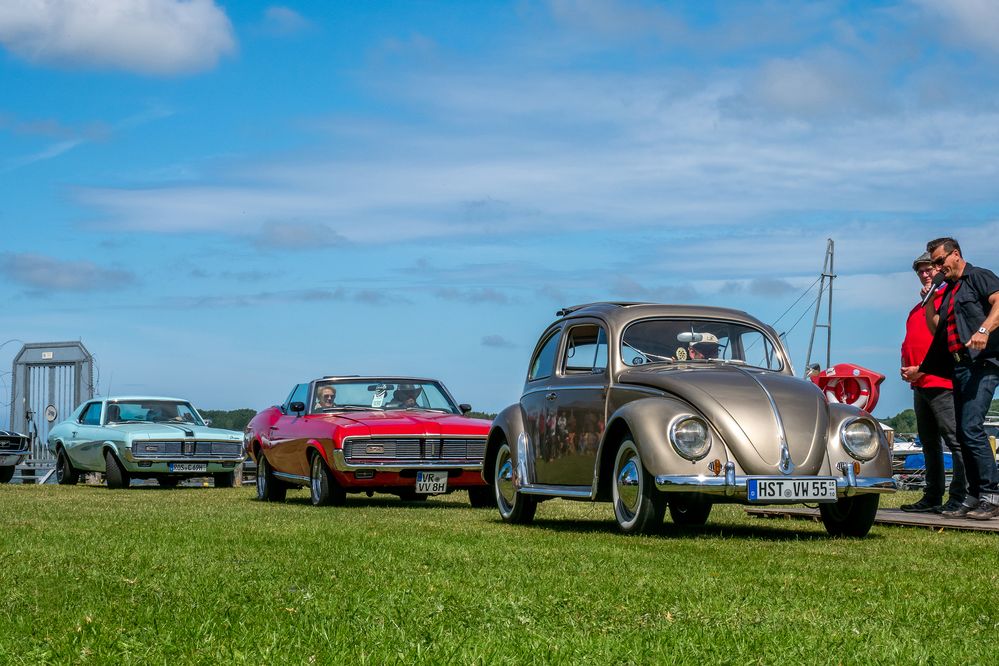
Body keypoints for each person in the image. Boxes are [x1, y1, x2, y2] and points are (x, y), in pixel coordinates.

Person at [919, 237, 999, 520]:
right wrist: (928, 302)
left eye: (940, 261)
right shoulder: (950, 290)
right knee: (965, 434)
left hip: (984, 364)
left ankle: (992, 494)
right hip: (960, 367)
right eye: (934, 264)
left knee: (971, 427)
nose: (938, 268)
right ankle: (975, 495)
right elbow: (937, 328)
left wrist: (984, 330)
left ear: (956, 255)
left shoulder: (978, 276)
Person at [899, 252, 967, 513]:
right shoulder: (918, 307)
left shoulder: (948, 300)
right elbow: (912, 340)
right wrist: (905, 366)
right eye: (920, 272)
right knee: (928, 443)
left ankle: (960, 495)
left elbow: (948, 340)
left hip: (942, 381)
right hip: (919, 384)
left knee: (954, 440)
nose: (925, 275)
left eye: (929, 270)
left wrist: (923, 368)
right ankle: (932, 495)